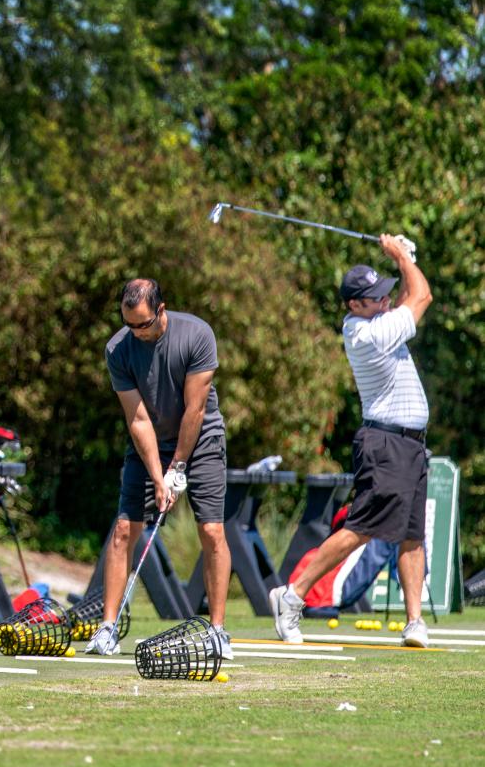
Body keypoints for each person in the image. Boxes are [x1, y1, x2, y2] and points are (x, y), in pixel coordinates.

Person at [271, 235, 433, 646]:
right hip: (386, 443)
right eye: (374, 298)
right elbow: (423, 296)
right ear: (353, 306)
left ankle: (415, 622)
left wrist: (404, 262)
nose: (384, 301)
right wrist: (400, 257)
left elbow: (409, 295)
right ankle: (292, 595)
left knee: (413, 535)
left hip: (410, 445)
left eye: (384, 295)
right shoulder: (368, 335)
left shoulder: (379, 321)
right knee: (361, 528)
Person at [88, 278, 233, 658]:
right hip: (148, 441)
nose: (136, 332)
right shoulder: (118, 349)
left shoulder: (197, 335)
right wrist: (158, 475)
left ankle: (218, 631)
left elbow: (195, 410)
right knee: (123, 529)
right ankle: (107, 628)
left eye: (143, 325)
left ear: (161, 310)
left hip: (200, 439)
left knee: (212, 530)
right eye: (129, 324)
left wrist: (178, 467)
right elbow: (137, 418)